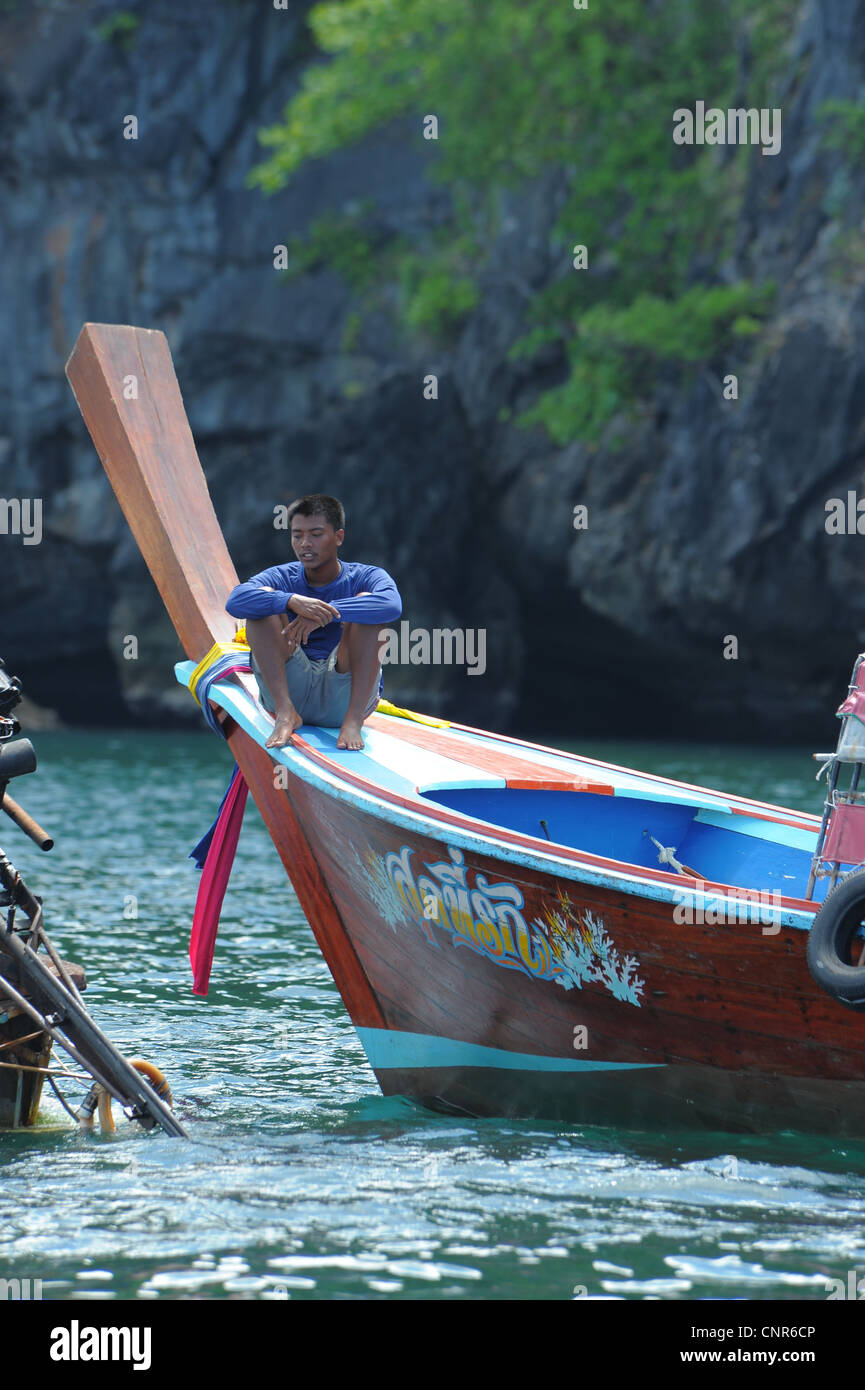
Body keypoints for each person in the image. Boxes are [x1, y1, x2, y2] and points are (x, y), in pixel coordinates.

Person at [225, 495, 401, 750]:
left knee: (369, 609)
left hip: (344, 697)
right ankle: (286, 715)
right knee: (262, 600)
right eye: (297, 536)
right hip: (289, 690)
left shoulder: (366, 575)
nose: (305, 544)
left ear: (338, 537)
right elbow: (235, 602)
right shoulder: (282, 576)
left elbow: (391, 605)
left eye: (316, 534)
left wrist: (325, 613)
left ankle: (353, 723)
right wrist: (292, 601)